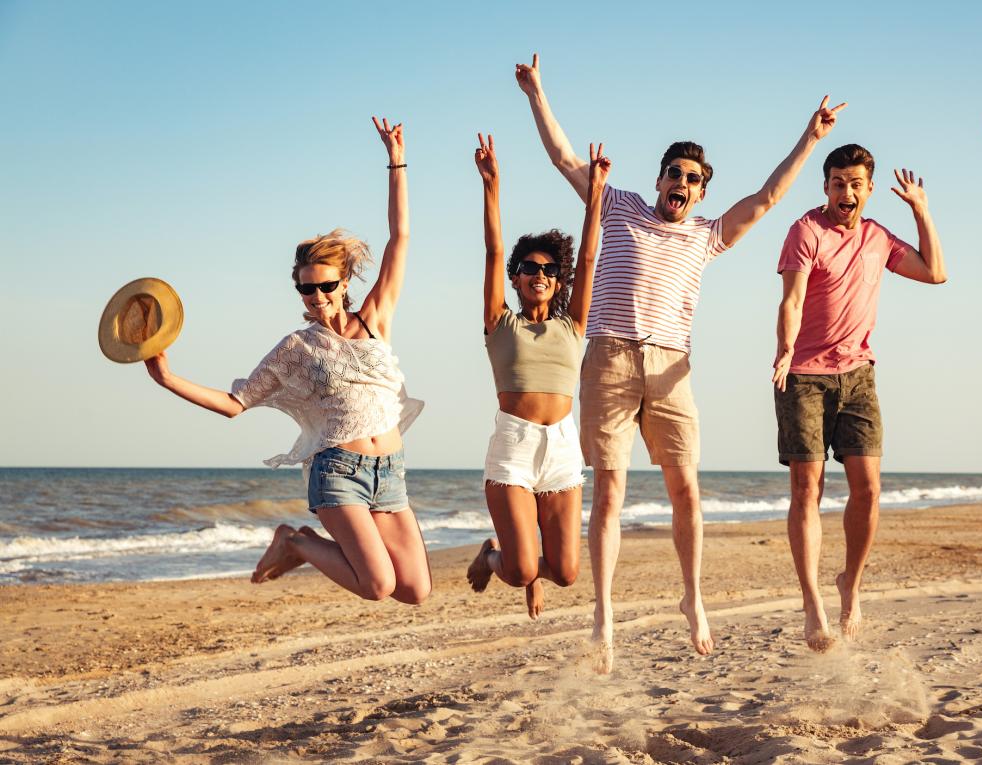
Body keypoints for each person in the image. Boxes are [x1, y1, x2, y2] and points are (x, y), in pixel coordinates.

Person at [514, 53, 843, 670]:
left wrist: (811, 137)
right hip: (610, 358)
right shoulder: (617, 205)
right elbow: (562, 156)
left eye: (692, 178)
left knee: (686, 488)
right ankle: (604, 616)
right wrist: (536, 92)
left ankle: (692, 598)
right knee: (609, 491)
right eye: (674, 173)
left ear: (700, 192)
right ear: (660, 178)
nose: (681, 184)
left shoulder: (706, 234)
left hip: (671, 368)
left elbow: (768, 198)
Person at [144, 118, 430, 604]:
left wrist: (396, 162)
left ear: (344, 282)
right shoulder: (297, 348)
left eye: (326, 285)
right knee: (378, 585)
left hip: (390, 471)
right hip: (338, 472)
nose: (317, 295)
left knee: (416, 590)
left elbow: (400, 237)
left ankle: (298, 543)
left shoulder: (375, 318)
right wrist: (168, 377)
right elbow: (235, 403)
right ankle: (296, 542)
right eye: (306, 288)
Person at [771, 144, 945, 651]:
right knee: (807, 490)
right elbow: (792, 299)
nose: (845, 192)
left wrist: (921, 211)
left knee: (868, 489)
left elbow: (935, 272)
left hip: (859, 376)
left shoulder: (877, 238)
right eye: (837, 183)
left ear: (868, 189)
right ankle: (812, 601)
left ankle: (850, 582)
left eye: (854, 184)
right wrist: (785, 349)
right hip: (803, 376)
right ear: (825, 187)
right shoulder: (806, 231)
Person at [465, 134, 609, 620]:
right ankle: (494, 556)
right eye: (528, 267)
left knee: (566, 572)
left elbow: (589, 259)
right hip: (514, 447)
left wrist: (595, 197)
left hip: (563, 448)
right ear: (516, 277)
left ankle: (522, 566)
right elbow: (492, 251)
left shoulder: (573, 324)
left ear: (559, 280)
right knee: (522, 568)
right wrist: (491, 186)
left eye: (548, 269)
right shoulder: (499, 321)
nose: (538, 274)